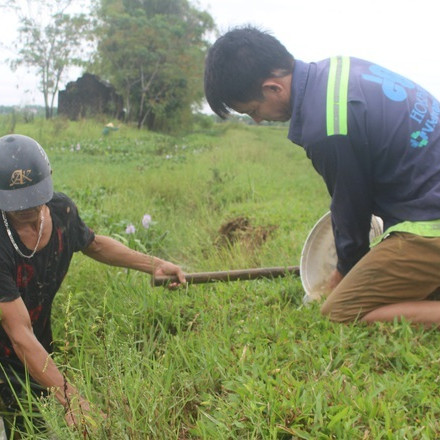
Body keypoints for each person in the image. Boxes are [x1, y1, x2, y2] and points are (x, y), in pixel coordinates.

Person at [204, 26, 440, 327]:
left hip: (430, 225)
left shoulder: (327, 125)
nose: (259, 119)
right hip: (427, 204)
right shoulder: (339, 70)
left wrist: (341, 277)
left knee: (340, 312)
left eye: (253, 110)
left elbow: (351, 211)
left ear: (273, 88)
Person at [0, 134, 186, 435]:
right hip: (11, 349)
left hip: (34, 348)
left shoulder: (62, 213)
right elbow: (19, 335)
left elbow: (95, 245)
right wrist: (72, 398)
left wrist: (154, 265)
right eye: (15, 204)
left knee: (31, 427)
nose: (25, 210)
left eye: (32, 202)